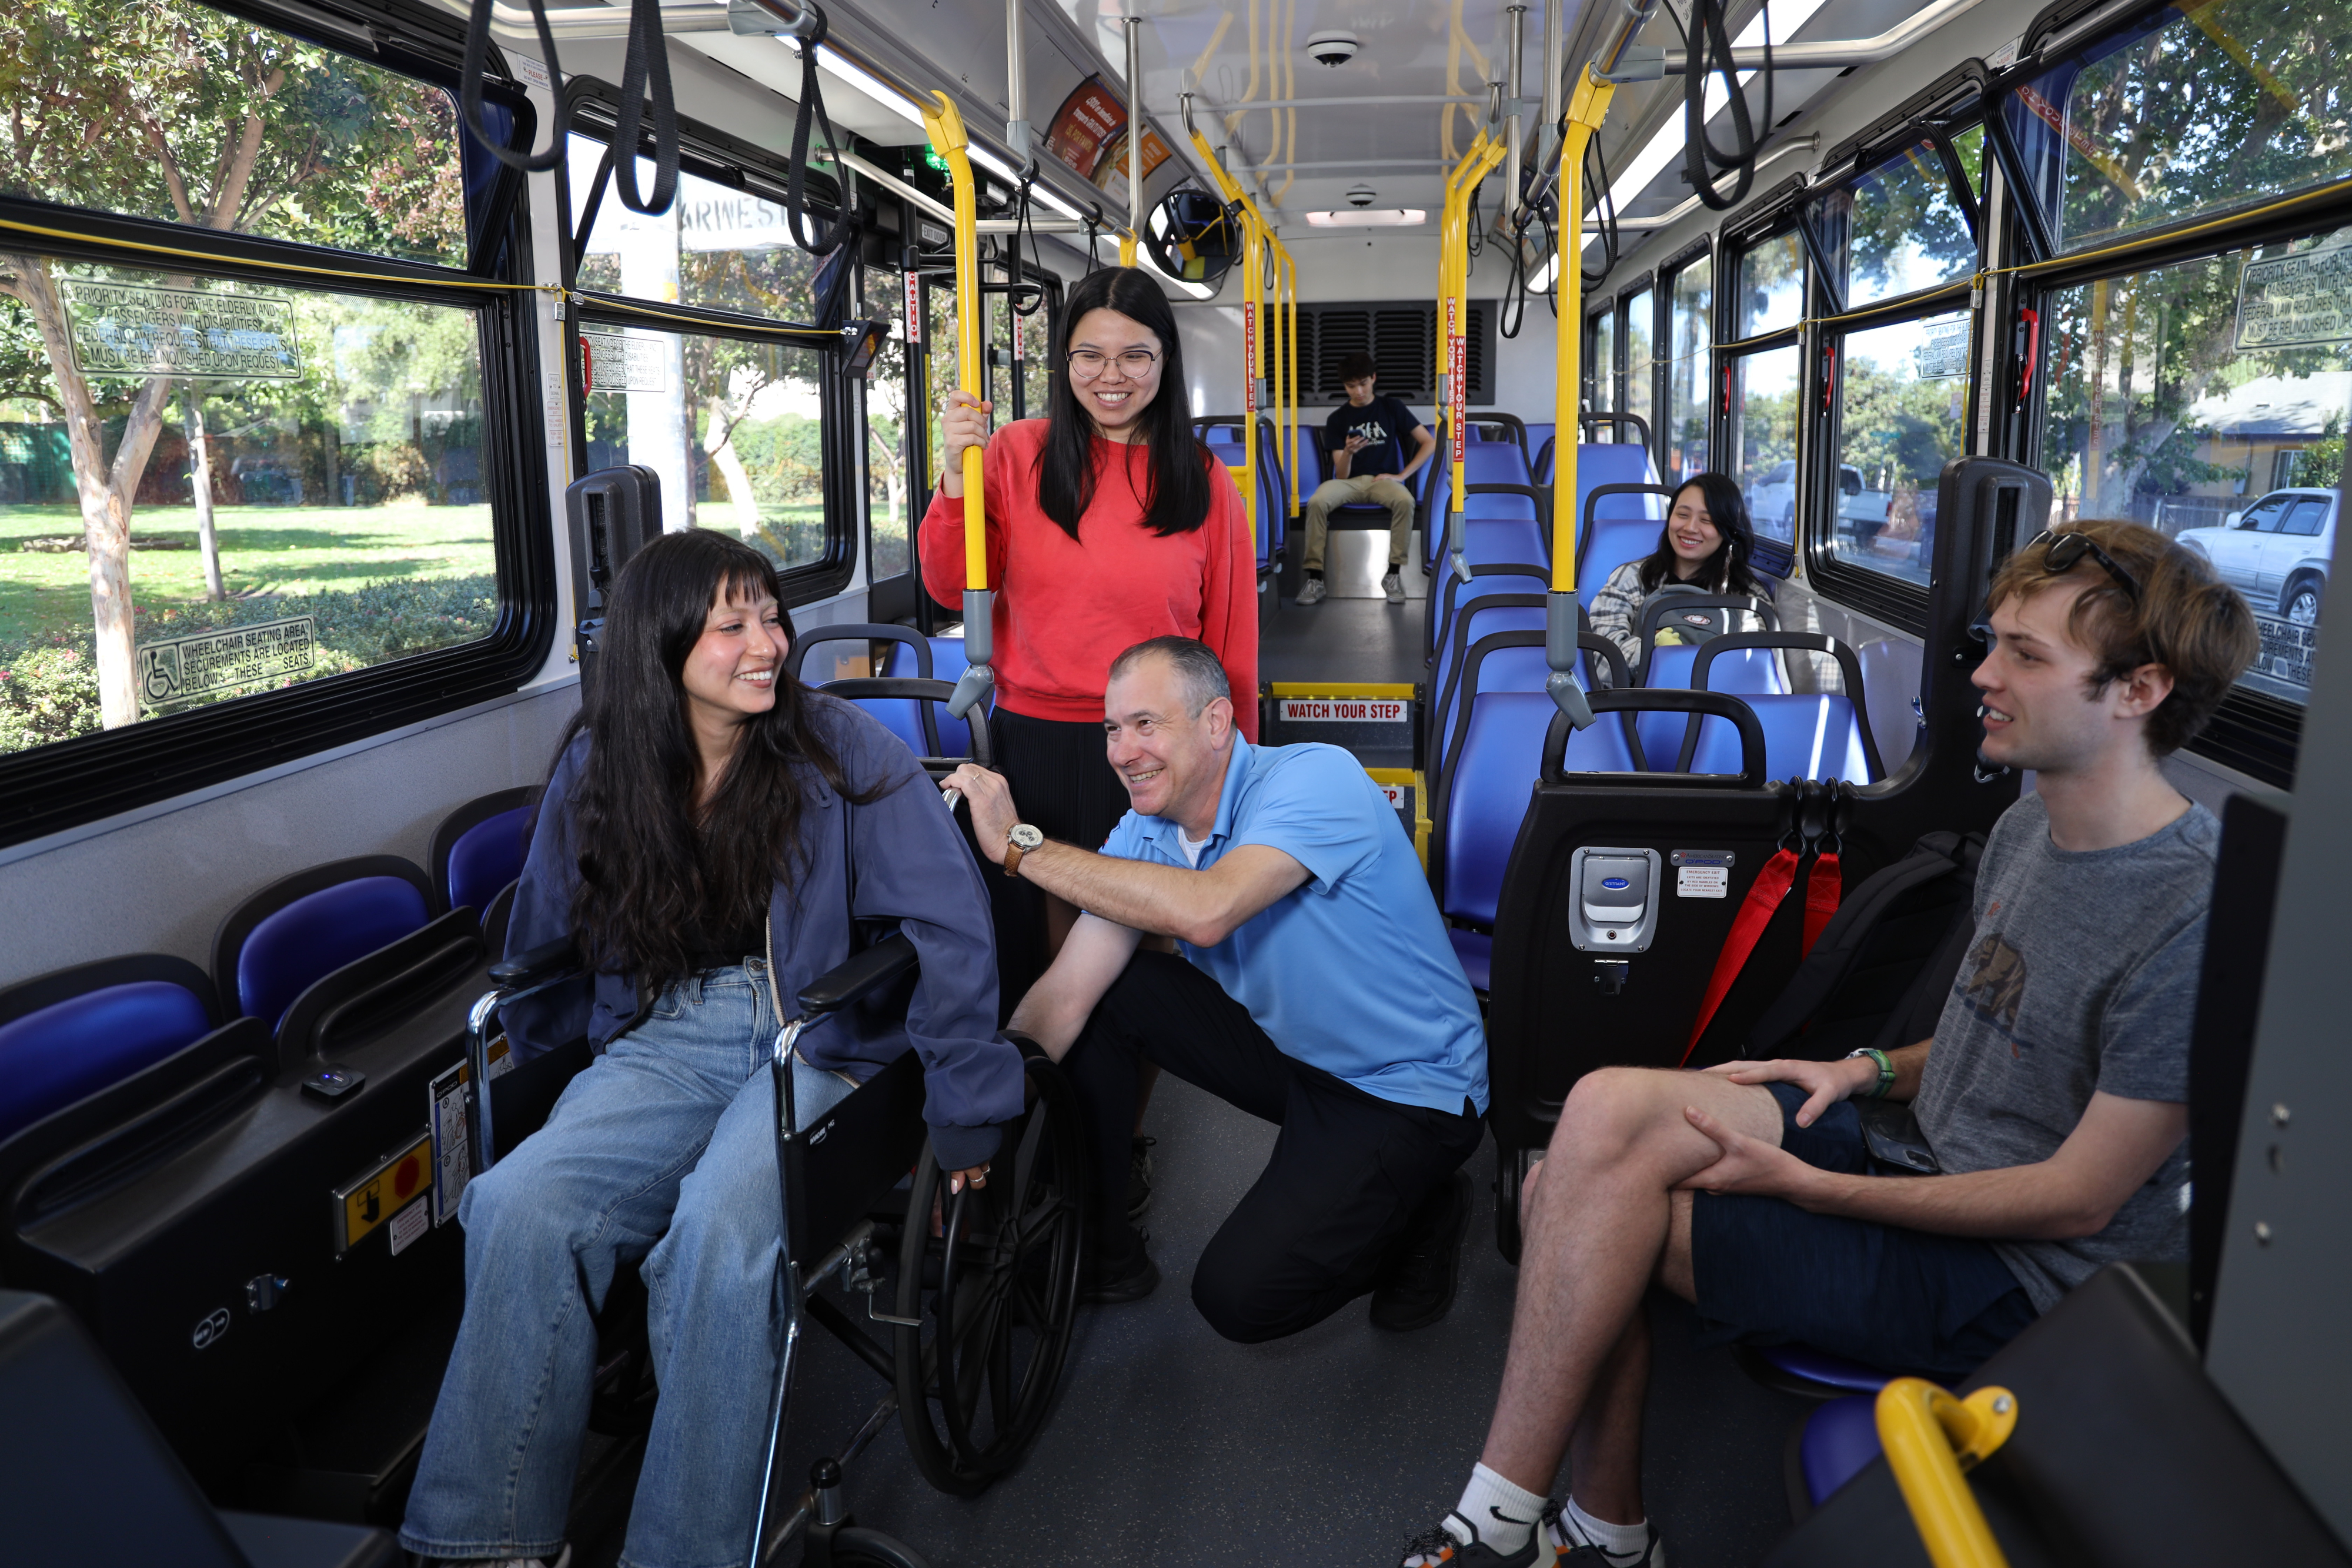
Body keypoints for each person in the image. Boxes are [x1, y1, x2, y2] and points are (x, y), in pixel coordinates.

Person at [1398, 519, 2258, 1567]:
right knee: (1595, 1120)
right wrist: (1870, 1069)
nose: (1984, 674)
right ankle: (1574, 1524)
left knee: (1568, 1206)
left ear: (2141, 690)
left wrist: (1815, 1191)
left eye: (2025, 656)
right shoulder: (2032, 830)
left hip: (2019, 1280)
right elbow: (2008, 1026)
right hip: (1915, 1148)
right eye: (1991, 643)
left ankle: (1535, 1531)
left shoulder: (2192, 916)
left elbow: (2077, 1196)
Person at [401, 530, 1021, 1568]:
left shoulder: (842, 749)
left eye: (770, 616)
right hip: (668, 1029)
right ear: (664, 641)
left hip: (818, 1036)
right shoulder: (606, 761)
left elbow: (953, 925)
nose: (767, 642)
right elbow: (552, 917)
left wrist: (968, 1102)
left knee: (715, 1245)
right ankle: (487, 1541)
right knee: (515, 1203)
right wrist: (555, 1061)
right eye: (731, 623)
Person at [944, 636, 1489, 1342]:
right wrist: (978, 1120)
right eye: (1112, 728)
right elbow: (1065, 995)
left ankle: (1426, 1208)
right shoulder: (1143, 831)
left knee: (1239, 1300)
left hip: (1408, 1087)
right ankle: (1099, 1249)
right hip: (1297, 1055)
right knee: (1114, 993)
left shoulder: (1315, 777)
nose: (1121, 750)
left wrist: (1019, 847)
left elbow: (1208, 911)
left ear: (1216, 723)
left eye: (1146, 724)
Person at [922, 266, 1259, 1215]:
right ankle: (1020, 1168)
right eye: (1091, 356)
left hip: (1154, 757)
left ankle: (1108, 1162)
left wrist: (1235, 776)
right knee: (1033, 962)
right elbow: (952, 585)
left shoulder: (1203, 479)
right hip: (1034, 741)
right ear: (1063, 361)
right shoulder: (1018, 454)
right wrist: (955, 479)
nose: (1112, 376)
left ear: (1168, 360)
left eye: (1136, 355)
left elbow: (1229, 636)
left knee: (1131, 974)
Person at [1586, 473, 1769, 674]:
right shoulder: (1632, 578)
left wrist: (1670, 656)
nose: (1690, 528)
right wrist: (1664, 655)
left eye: (1706, 520)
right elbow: (1604, 659)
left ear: (1729, 531)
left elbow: (1751, 667)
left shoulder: (1747, 597)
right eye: (1682, 515)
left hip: (1718, 703)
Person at [1299, 350, 1438, 606]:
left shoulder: (1391, 407)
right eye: (1351, 386)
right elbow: (1341, 474)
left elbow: (1429, 442)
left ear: (1373, 379)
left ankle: (1393, 574)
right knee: (1318, 501)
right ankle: (1315, 577)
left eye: (1363, 384)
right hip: (1348, 482)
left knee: (1405, 501)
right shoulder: (1338, 418)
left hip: (1382, 481)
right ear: (1345, 386)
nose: (1359, 391)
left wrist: (1402, 475)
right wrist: (1349, 453)